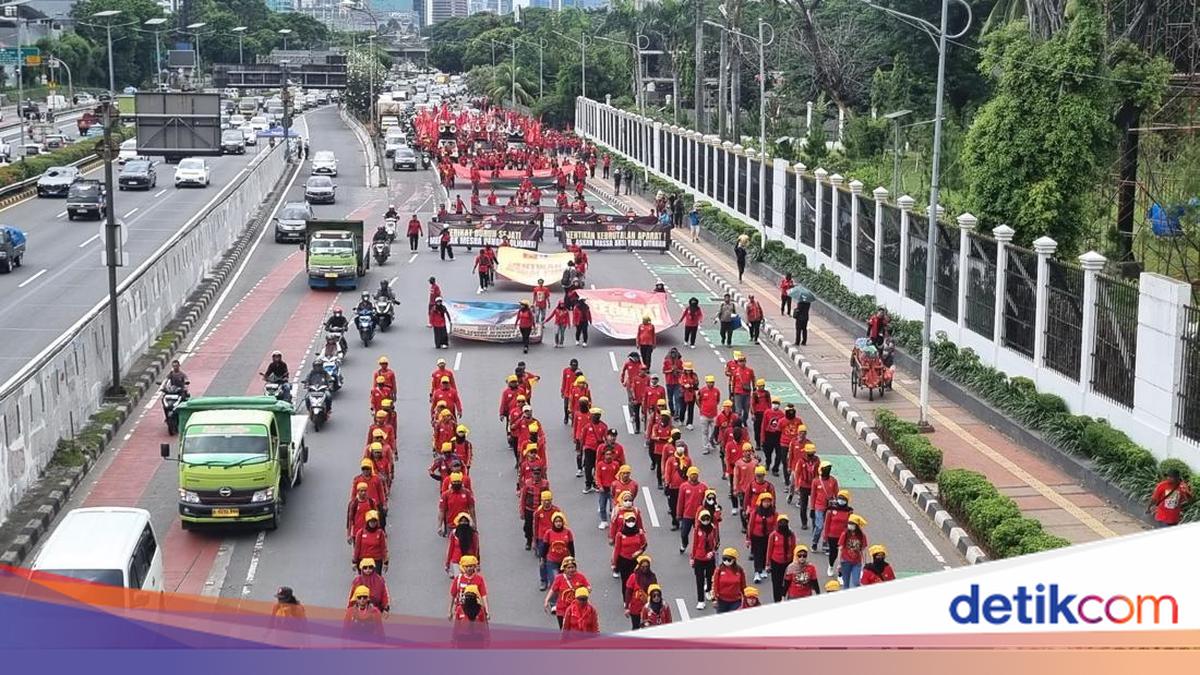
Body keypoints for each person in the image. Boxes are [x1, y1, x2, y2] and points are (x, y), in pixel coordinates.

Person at [544, 557, 590, 629]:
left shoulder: (581, 577)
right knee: (564, 629)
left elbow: (588, 587)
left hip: (577, 609)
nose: (571, 569)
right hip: (562, 610)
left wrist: (585, 590)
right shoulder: (559, 578)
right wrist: (546, 600)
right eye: (569, 568)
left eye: (573, 567)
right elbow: (552, 590)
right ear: (564, 568)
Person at [746, 493, 779, 584]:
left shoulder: (774, 513)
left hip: (768, 536)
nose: (767, 503)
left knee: (765, 553)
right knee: (757, 554)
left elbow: (776, 526)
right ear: (761, 502)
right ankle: (757, 571)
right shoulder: (755, 512)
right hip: (756, 536)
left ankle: (764, 569)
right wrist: (748, 538)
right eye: (765, 501)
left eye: (768, 502)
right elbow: (750, 525)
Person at [766, 513, 796, 602]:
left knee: (788, 582)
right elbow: (769, 549)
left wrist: (795, 562)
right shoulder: (773, 535)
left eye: (785, 522)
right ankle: (777, 601)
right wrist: (768, 564)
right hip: (776, 562)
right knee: (776, 584)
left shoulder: (791, 535)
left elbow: (794, 548)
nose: (783, 524)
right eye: (781, 522)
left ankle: (786, 598)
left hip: (788, 562)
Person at [624, 554, 658, 630]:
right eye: (643, 566)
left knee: (648, 627)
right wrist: (627, 607)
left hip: (648, 607)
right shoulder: (633, 577)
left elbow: (656, 592)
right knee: (636, 627)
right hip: (636, 608)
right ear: (639, 566)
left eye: (647, 567)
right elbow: (628, 592)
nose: (645, 568)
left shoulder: (652, 577)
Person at [712, 548, 748, 613]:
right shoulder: (719, 570)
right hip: (721, 601)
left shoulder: (739, 570)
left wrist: (746, 598)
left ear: (734, 560)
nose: (726, 561)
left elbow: (743, 585)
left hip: (736, 601)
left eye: (728, 559)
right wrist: (714, 599)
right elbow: (715, 585)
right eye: (724, 559)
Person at [838, 514, 869, 588]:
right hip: (845, 562)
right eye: (849, 523)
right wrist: (839, 563)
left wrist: (865, 563)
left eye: (852, 524)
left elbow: (863, 550)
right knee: (846, 584)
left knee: (856, 582)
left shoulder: (862, 536)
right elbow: (840, 549)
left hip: (857, 562)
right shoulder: (845, 534)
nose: (850, 525)